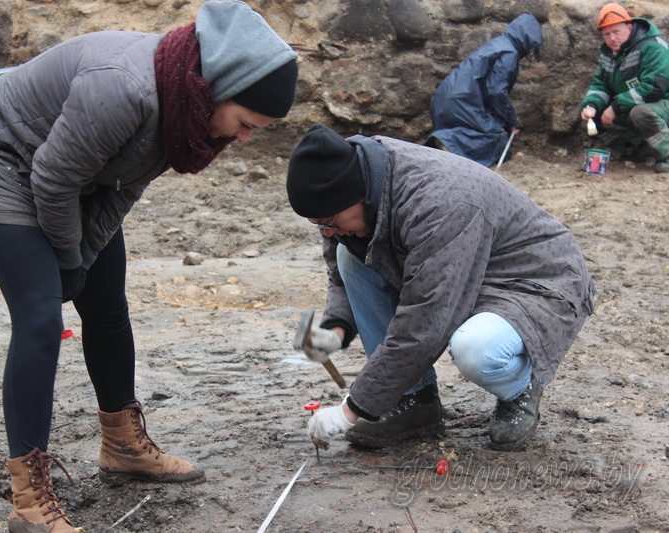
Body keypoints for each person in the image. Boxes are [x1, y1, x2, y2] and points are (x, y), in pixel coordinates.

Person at [0, 1, 298, 531]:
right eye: (246, 123)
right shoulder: (127, 88)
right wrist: (67, 259)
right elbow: (52, 181)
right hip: (4, 159)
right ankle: (28, 501)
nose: (244, 138)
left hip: (77, 175)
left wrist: (83, 255)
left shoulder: (186, 107)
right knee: (41, 318)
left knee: (106, 300)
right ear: (218, 86)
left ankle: (122, 446)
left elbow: (126, 184)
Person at [285, 123, 595, 453]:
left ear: (357, 195)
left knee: (476, 348)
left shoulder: (439, 203)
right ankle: (413, 403)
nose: (328, 232)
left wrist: (351, 410)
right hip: (460, 267)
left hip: (529, 279)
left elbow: (424, 324)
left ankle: (519, 387)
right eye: (320, 226)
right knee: (350, 255)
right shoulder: (345, 186)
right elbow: (341, 273)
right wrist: (336, 331)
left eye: (329, 223)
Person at [426, 13, 543, 167]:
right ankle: (447, 142)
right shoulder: (509, 53)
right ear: (528, 39)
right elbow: (495, 92)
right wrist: (509, 121)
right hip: (462, 100)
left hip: (445, 97)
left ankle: (447, 146)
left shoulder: (499, 44)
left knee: (476, 129)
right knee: (494, 134)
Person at [580, 3, 669, 173]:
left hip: (663, 103)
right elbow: (601, 84)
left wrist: (615, 107)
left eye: (616, 32)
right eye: (607, 34)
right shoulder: (609, 53)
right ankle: (637, 148)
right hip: (640, 105)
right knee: (593, 120)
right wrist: (592, 105)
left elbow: (654, 88)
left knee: (641, 113)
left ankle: (666, 154)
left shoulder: (653, 47)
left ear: (629, 27)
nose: (612, 38)